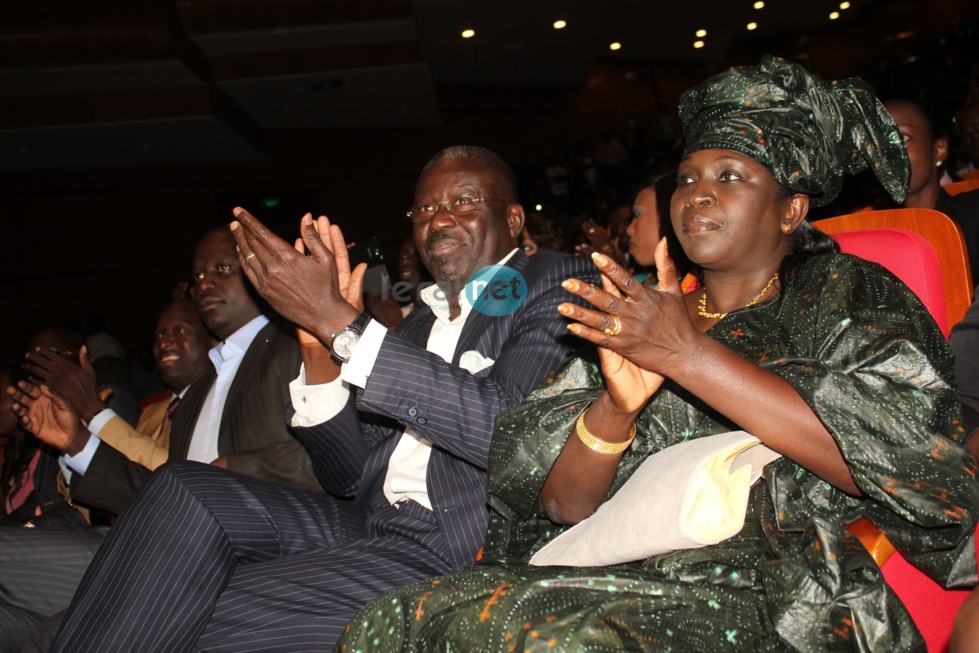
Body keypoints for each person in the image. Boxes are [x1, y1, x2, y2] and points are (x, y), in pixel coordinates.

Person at [337, 56, 979, 652]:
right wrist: (617, 410)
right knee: (388, 620)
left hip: (772, 587)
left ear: (792, 209)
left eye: (730, 177)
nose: (697, 193)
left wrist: (689, 357)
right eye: (690, 177)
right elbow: (562, 507)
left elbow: (911, 466)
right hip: (615, 568)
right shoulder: (636, 316)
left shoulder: (849, 292)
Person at [46, 145, 598, 652]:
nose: (440, 218)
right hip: (367, 525)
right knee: (181, 488)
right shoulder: (413, 327)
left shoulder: (555, 281)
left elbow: (508, 433)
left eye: (464, 200)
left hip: (453, 545)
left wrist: (338, 321)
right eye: (424, 208)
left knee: (183, 609)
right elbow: (348, 477)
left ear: (514, 219)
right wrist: (316, 349)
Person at [50, 227, 321, 517]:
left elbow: (337, 454)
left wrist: (229, 470)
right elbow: (166, 497)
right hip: (187, 545)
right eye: (198, 276)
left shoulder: (298, 345)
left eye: (223, 268)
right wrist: (76, 442)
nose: (205, 285)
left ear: (258, 270)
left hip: (282, 544)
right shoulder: (195, 395)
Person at [0, 299, 214, 652]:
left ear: (213, 343)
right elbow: (99, 501)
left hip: (161, 562)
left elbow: (183, 486)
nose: (164, 342)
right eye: (159, 333)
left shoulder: (217, 408)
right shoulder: (151, 415)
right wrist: (72, 451)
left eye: (180, 331)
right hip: (104, 549)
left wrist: (92, 416)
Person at [884, 98, 979, 274]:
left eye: (903, 138)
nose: (888, 153)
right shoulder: (869, 236)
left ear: (939, 150)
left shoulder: (973, 215)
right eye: (876, 144)